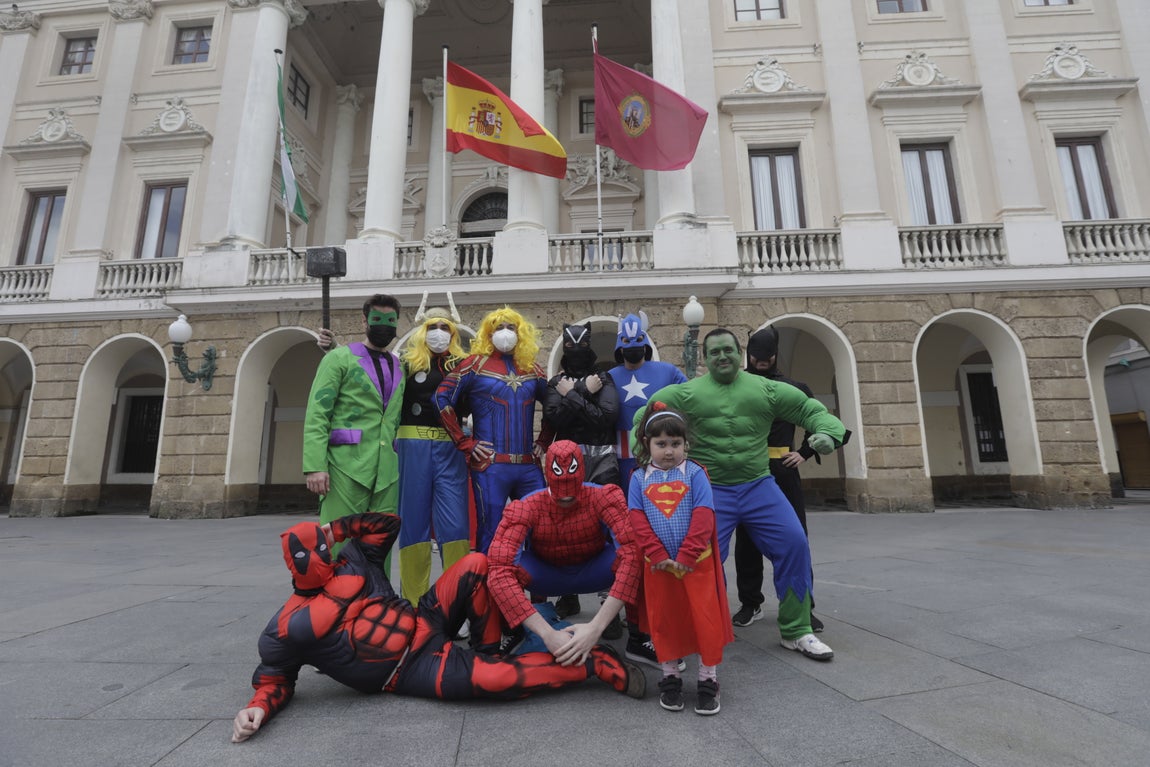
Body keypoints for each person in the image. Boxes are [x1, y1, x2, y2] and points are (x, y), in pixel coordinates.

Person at [231, 512, 645, 743]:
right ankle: (593, 665)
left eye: (322, 547)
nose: (320, 556)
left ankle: (489, 649)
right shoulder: (285, 627)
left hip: (424, 619)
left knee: (476, 563)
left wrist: (338, 528)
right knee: (497, 682)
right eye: (309, 554)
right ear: (293, 566)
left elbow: (389, 524)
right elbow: (274, 679)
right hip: (409, 670)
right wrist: (257, 709)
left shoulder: (355, 558)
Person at [634, 328, 848, 662]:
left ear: (741, 354)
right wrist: (648, 449)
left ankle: (797, 630)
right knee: (698, 561)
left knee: (794, 543)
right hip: (710, 490)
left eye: (728, 350)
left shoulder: (767, 389)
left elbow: (812, 411)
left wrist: (827, 434)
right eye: (715, 352)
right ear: (705, 358)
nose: (722, 356)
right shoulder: (688, 393)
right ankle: (689, 632)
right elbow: (645, 416)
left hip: (758, 485)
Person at [487, 440, 659, 668]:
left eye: (572, 492)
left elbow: (632, 553)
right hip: (544, 575)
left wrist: (595, 628)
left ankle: (639, 637)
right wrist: (548, 634)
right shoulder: (526, 506)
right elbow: (499, 569)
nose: (566, 499)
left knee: (640, 553)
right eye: (561, 494)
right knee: (492, 563)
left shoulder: (604, 497)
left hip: (594, 569)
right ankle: (514, 632)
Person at [629, 404, 733, 715]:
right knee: (665, 623)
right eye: (661, 444)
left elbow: (704, 516)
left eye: (676, 443)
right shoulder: (638, 478)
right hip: (659, 568)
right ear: (648, 444)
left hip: (695, 565)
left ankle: (707, 680)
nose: (669, 451)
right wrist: (657, 554)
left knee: (705, 622)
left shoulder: (696, 473)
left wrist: (688, 555)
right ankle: (670, 678)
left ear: (685, 444)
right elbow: (636, 519)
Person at [434, 307, 553, 553]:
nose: (506, 333)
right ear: (489, 333)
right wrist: (464, 442)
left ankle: (537, 591)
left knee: (541, 532)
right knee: (490, 532)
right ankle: (487, 591)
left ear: (521, 334)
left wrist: (543, 441)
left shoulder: (532, 369)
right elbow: (440, 398)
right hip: (490, 466)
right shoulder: (474, 365)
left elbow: (554, 406)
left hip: (529, 467)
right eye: (500, 327)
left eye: (511, 327)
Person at [732, 326, 824, 632]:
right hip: (747, 470)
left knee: (796, 539)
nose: (761, 362)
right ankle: (750, 603)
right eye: (756, 357)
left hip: (783, 469)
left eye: (767, 357)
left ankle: (803, 606)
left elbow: (818, 420)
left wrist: (805, 452)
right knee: (746, 541)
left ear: (775, 355)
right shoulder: (736, 385)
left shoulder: (794, 387)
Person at [303, 294, 405, 545]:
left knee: (379, 545)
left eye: (390, 320)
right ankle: (338, 586)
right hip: (345, 468)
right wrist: (315, 466)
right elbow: (317, 414)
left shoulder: (400, 366)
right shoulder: (338, 359)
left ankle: (376, 587)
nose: (384, 325)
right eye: (377, 318)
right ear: (364, 321)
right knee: (339, 541)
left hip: (387, 473)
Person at [394, 300, 471, 604]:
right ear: (422, 331)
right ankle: (413, 601)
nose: (438, 332)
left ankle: (456, 602)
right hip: (412, 448)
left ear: (453, 333)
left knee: (455, 525)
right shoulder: (406, 364)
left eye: (445, 328)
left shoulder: (463, 367)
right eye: (433, 327)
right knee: (413, 524)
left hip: (449, 449)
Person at [543, 322, 620, 621]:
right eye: (571, 347)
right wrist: (584, 393)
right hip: (565, 463)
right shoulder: (555, 383)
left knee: (608, 528)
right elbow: (555, 418)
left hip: (602, 459)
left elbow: (606, 418)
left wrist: (573, 393)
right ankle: (567, 595)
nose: (576, 353)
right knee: (562, 529)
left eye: (581, 346)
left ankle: (608, 605)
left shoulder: (603, 378)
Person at [607, 312, 687, 489]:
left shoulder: (668, 371)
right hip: (622, 456)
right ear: (620, 347)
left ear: (645, 345)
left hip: (662, 452)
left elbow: (689, 398)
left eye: (638, 341)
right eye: (627, 342)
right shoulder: (609, 377)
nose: (633, 346)